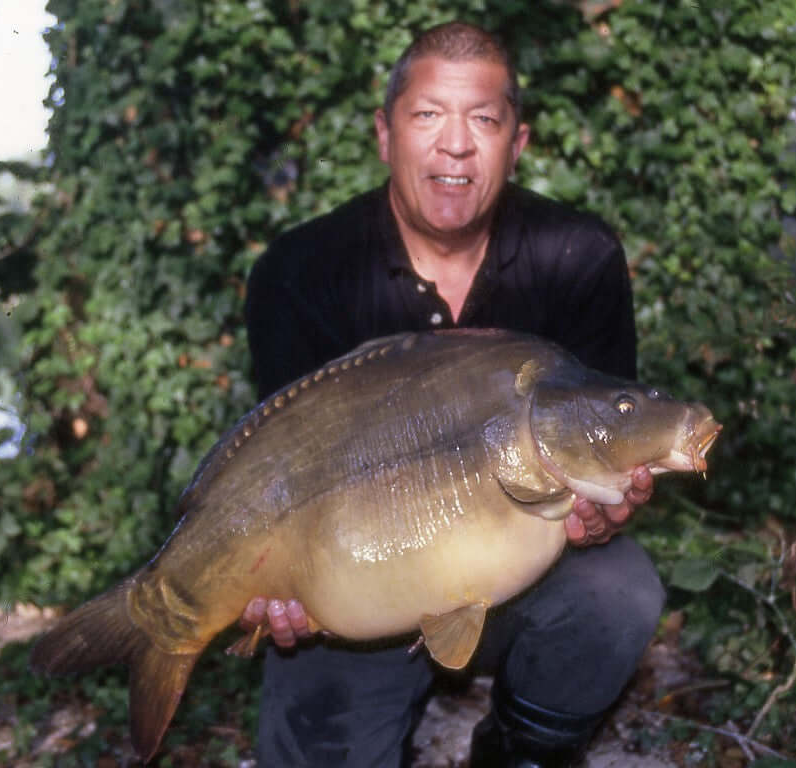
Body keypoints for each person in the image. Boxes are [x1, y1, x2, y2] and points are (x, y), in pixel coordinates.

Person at [241, 21, 662, 768]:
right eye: (428, 115)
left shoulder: (578, 257)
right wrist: (277, 583)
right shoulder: (300, 271)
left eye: (485, 120)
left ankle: (517, 748)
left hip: (520, 576)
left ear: (518, 142)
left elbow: (608, 445)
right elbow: (277, 480)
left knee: (619, 590)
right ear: (385, 133)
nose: (456, 144)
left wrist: (607, 506)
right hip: (355, 598)